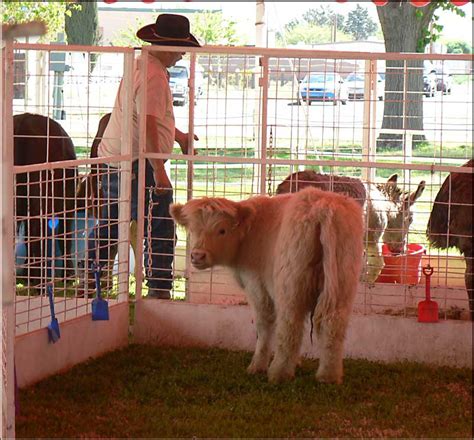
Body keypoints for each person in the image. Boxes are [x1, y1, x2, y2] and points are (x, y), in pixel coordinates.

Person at [88, 14, 200, 299]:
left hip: (120, 158)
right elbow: (149, 123)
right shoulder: (153, 75)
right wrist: (159, 168)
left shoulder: (141, 65)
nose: (183, 53)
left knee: (111, 223)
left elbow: (147, 118)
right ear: (167, 46)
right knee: (158, 226)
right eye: (180, 48)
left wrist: (179, 136)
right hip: (140, 162)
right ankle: (159, 289)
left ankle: (93, 281)